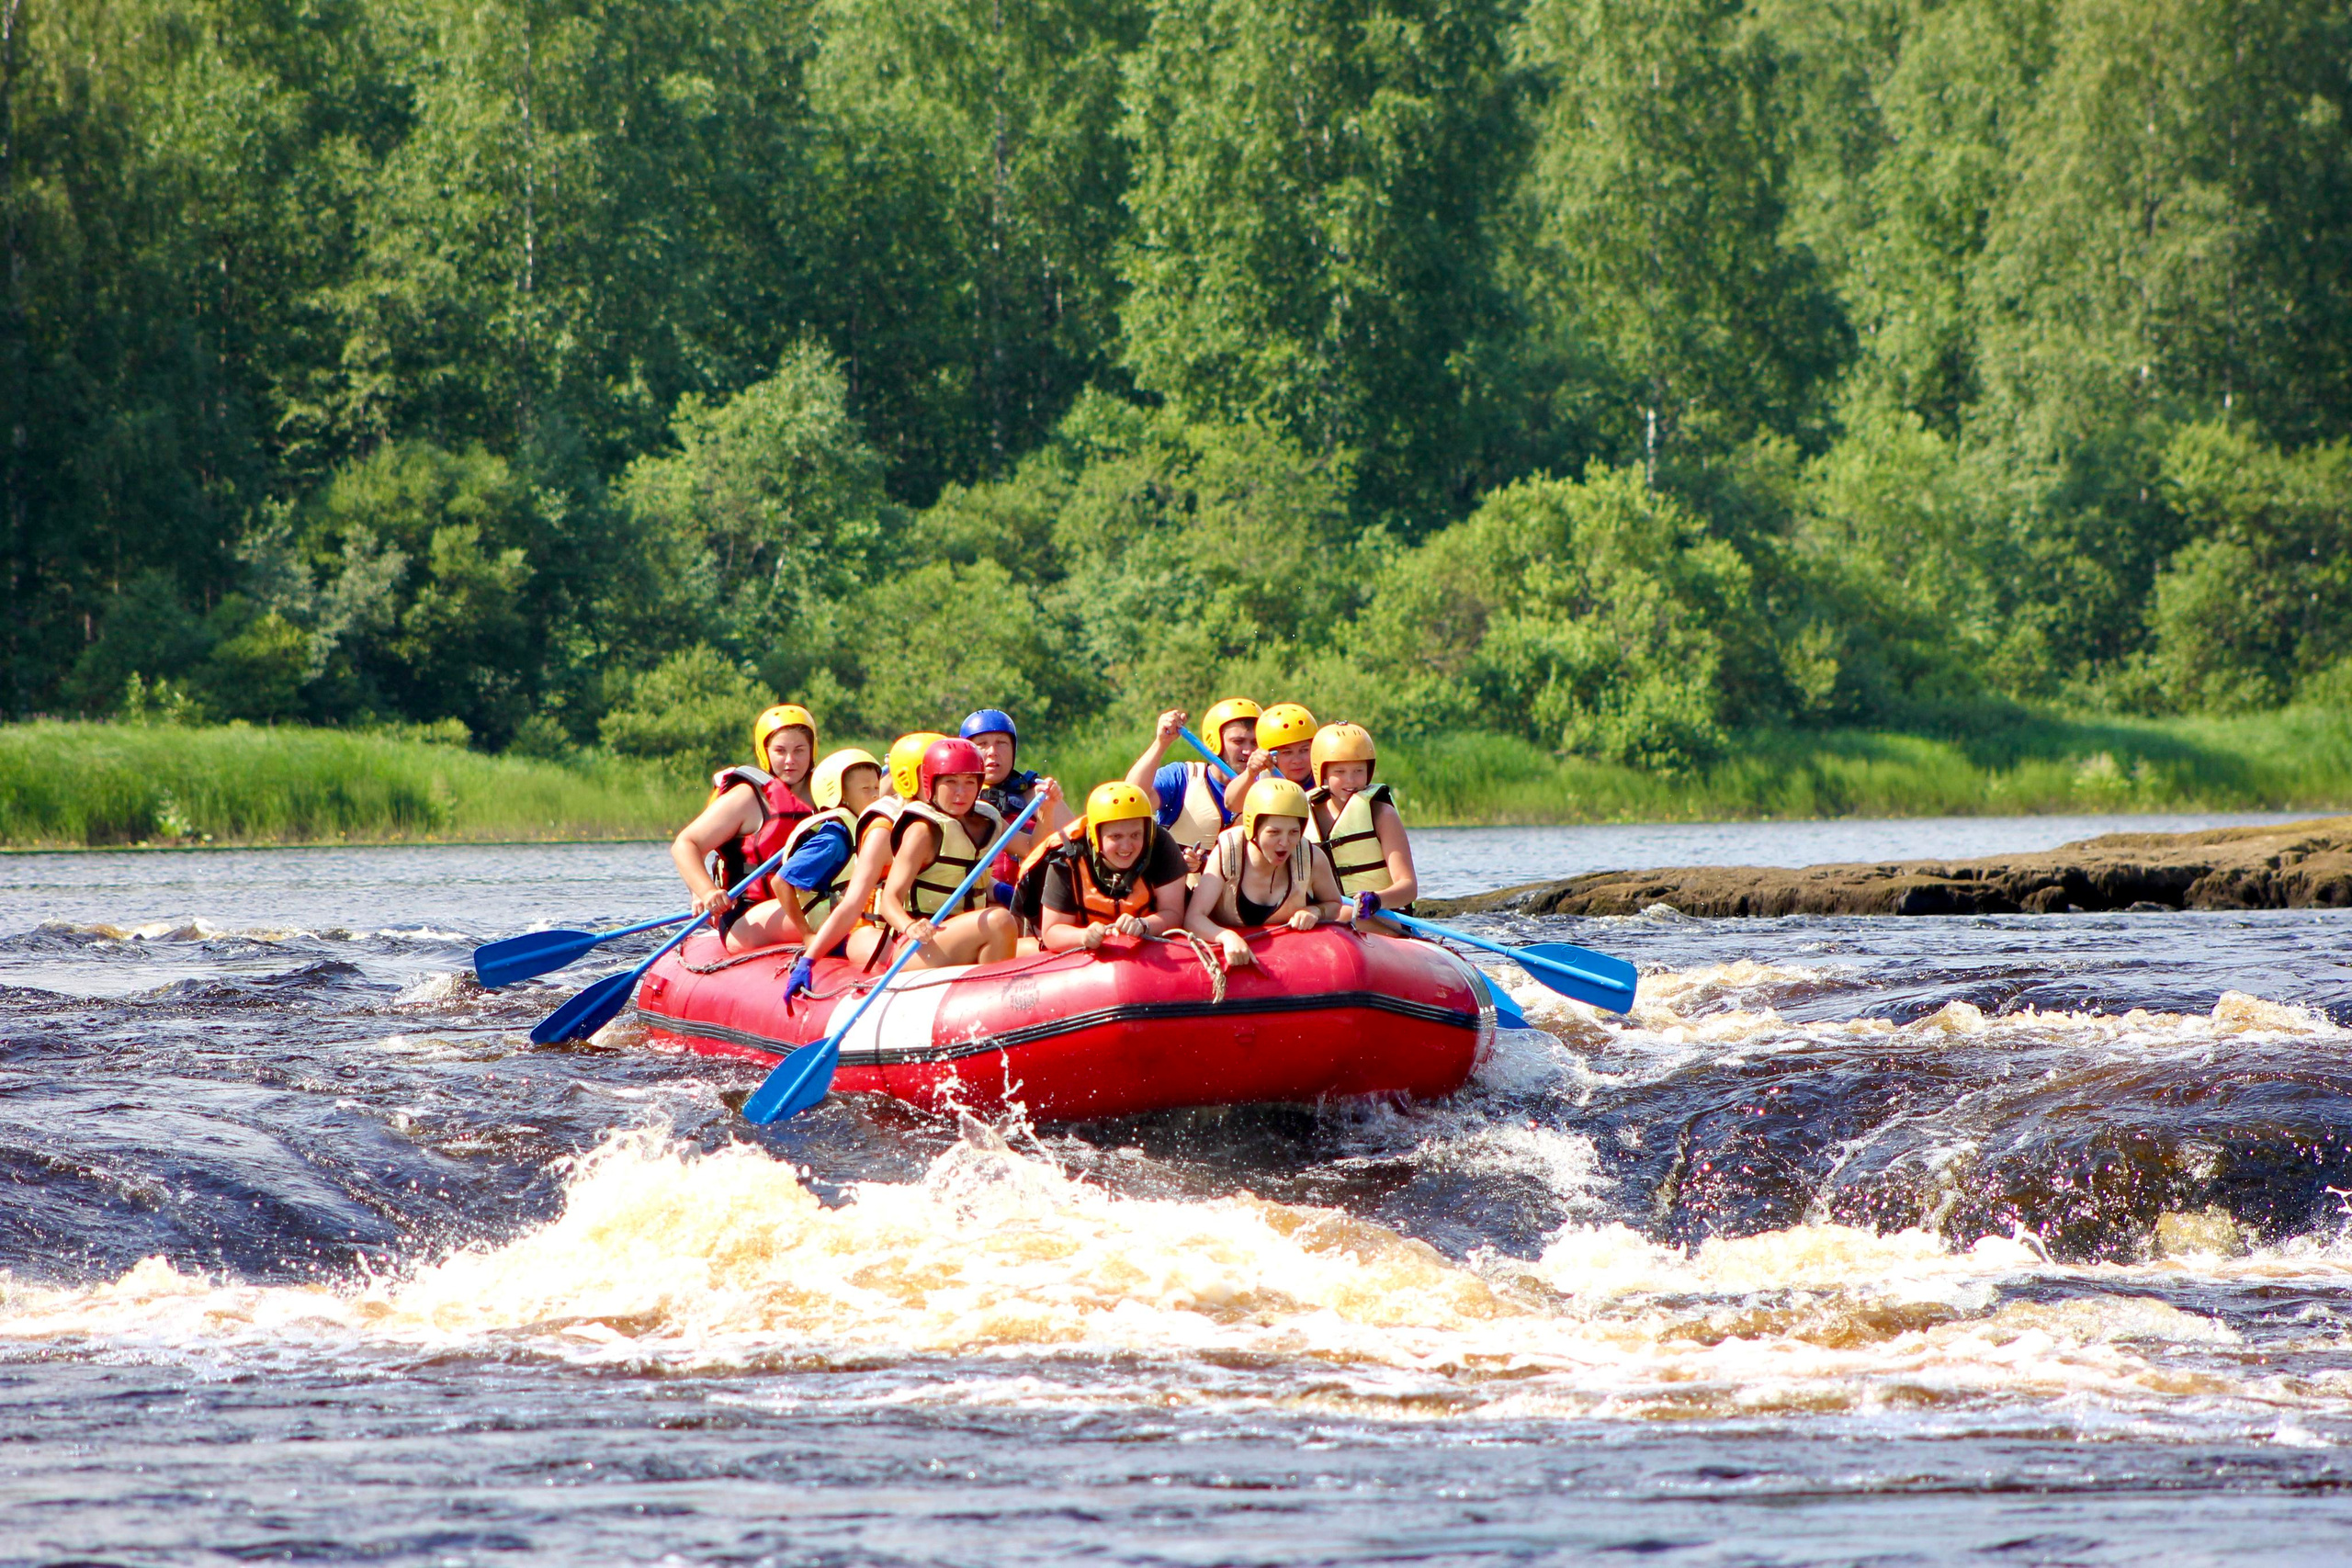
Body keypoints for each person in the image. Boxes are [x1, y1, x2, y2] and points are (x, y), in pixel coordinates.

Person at [875, 736, 1060, 972]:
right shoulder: (922, 831)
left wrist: (1046, 812)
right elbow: (889, 901)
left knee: (1042, 948)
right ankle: (994, 997)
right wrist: (910, 926)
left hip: (966, 935)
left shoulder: (989, 818)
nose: (961, 793)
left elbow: (1032, 848)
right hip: (919, 946)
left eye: (970, 782)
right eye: (951, 782)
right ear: (931, 784)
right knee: (999, 920)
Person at [786, 732, 943, 997]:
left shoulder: (960, 819)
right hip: (874, 930)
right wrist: (809, 956)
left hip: (934, 924)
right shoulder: (876, 831)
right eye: (938, 774)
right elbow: (851, 903)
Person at [668, 703, 819, 940]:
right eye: (780, 751)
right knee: (825, 911)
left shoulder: (830, 793)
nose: (790, 760)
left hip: (811, 902)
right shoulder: (748, 797)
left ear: (812, 751)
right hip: (748, 915)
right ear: (765, 752)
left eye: (799, 750)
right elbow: (685, 845)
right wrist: (706, 892)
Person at [721, 748, 883, 953]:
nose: (876, 795)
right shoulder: (833, 840)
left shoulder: (871, 829)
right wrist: (807, 934)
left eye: (877, 787)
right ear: (840, 796)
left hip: (855, 924)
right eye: (865, 789)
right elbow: (781, 882)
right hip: (830, 928)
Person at [1183, 775, 1351, 971]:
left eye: (1294, 832)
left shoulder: (1312, 858)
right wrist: (1226, 937)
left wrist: (1316, 911)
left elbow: (1335, 905)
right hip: (1226, 961)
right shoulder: (1227, 853)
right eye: (1274, 832)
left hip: (1291, 965)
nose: (1285, 842)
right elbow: (1194, 918)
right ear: (1252, 827)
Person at [1014, 782, 1191, 953]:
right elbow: (1052, 931)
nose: (1126, 846)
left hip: (1148, 947)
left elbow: (1173, 913)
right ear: (1095, 836)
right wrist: (1084, 936)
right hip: (1082, 955)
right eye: (1116, 836)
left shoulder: (1160, 843)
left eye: (1136, 834)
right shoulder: (1067, 856)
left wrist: (1145, 925)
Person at [1305, 721, 1419, 927]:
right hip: (1326, 915)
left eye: (1358, 770)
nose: (1350, 780)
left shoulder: (1382, 814)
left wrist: (1377, 900)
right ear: (1322, 772)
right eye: (1339, 772)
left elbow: (1408, 887)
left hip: (1381, 916)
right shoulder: (1303, 814)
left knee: (1347, 915)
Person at [1125, 697, 1259, 865]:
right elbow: (1131, 798)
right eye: (1238, 741)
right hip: (1182, 888)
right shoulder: (1182, 778)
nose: (1248, 751)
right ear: (1214, 741)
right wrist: (1161, 743)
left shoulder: (1267, 787)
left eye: (1254, 742)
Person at [1221, 702, 1318, 817]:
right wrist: (1250, 773)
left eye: (1304, 750)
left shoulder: (1326, 776)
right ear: (1272, 756)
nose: (1297, 760)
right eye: (1287, 752)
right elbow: (1231, 804)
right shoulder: (1262, 779)